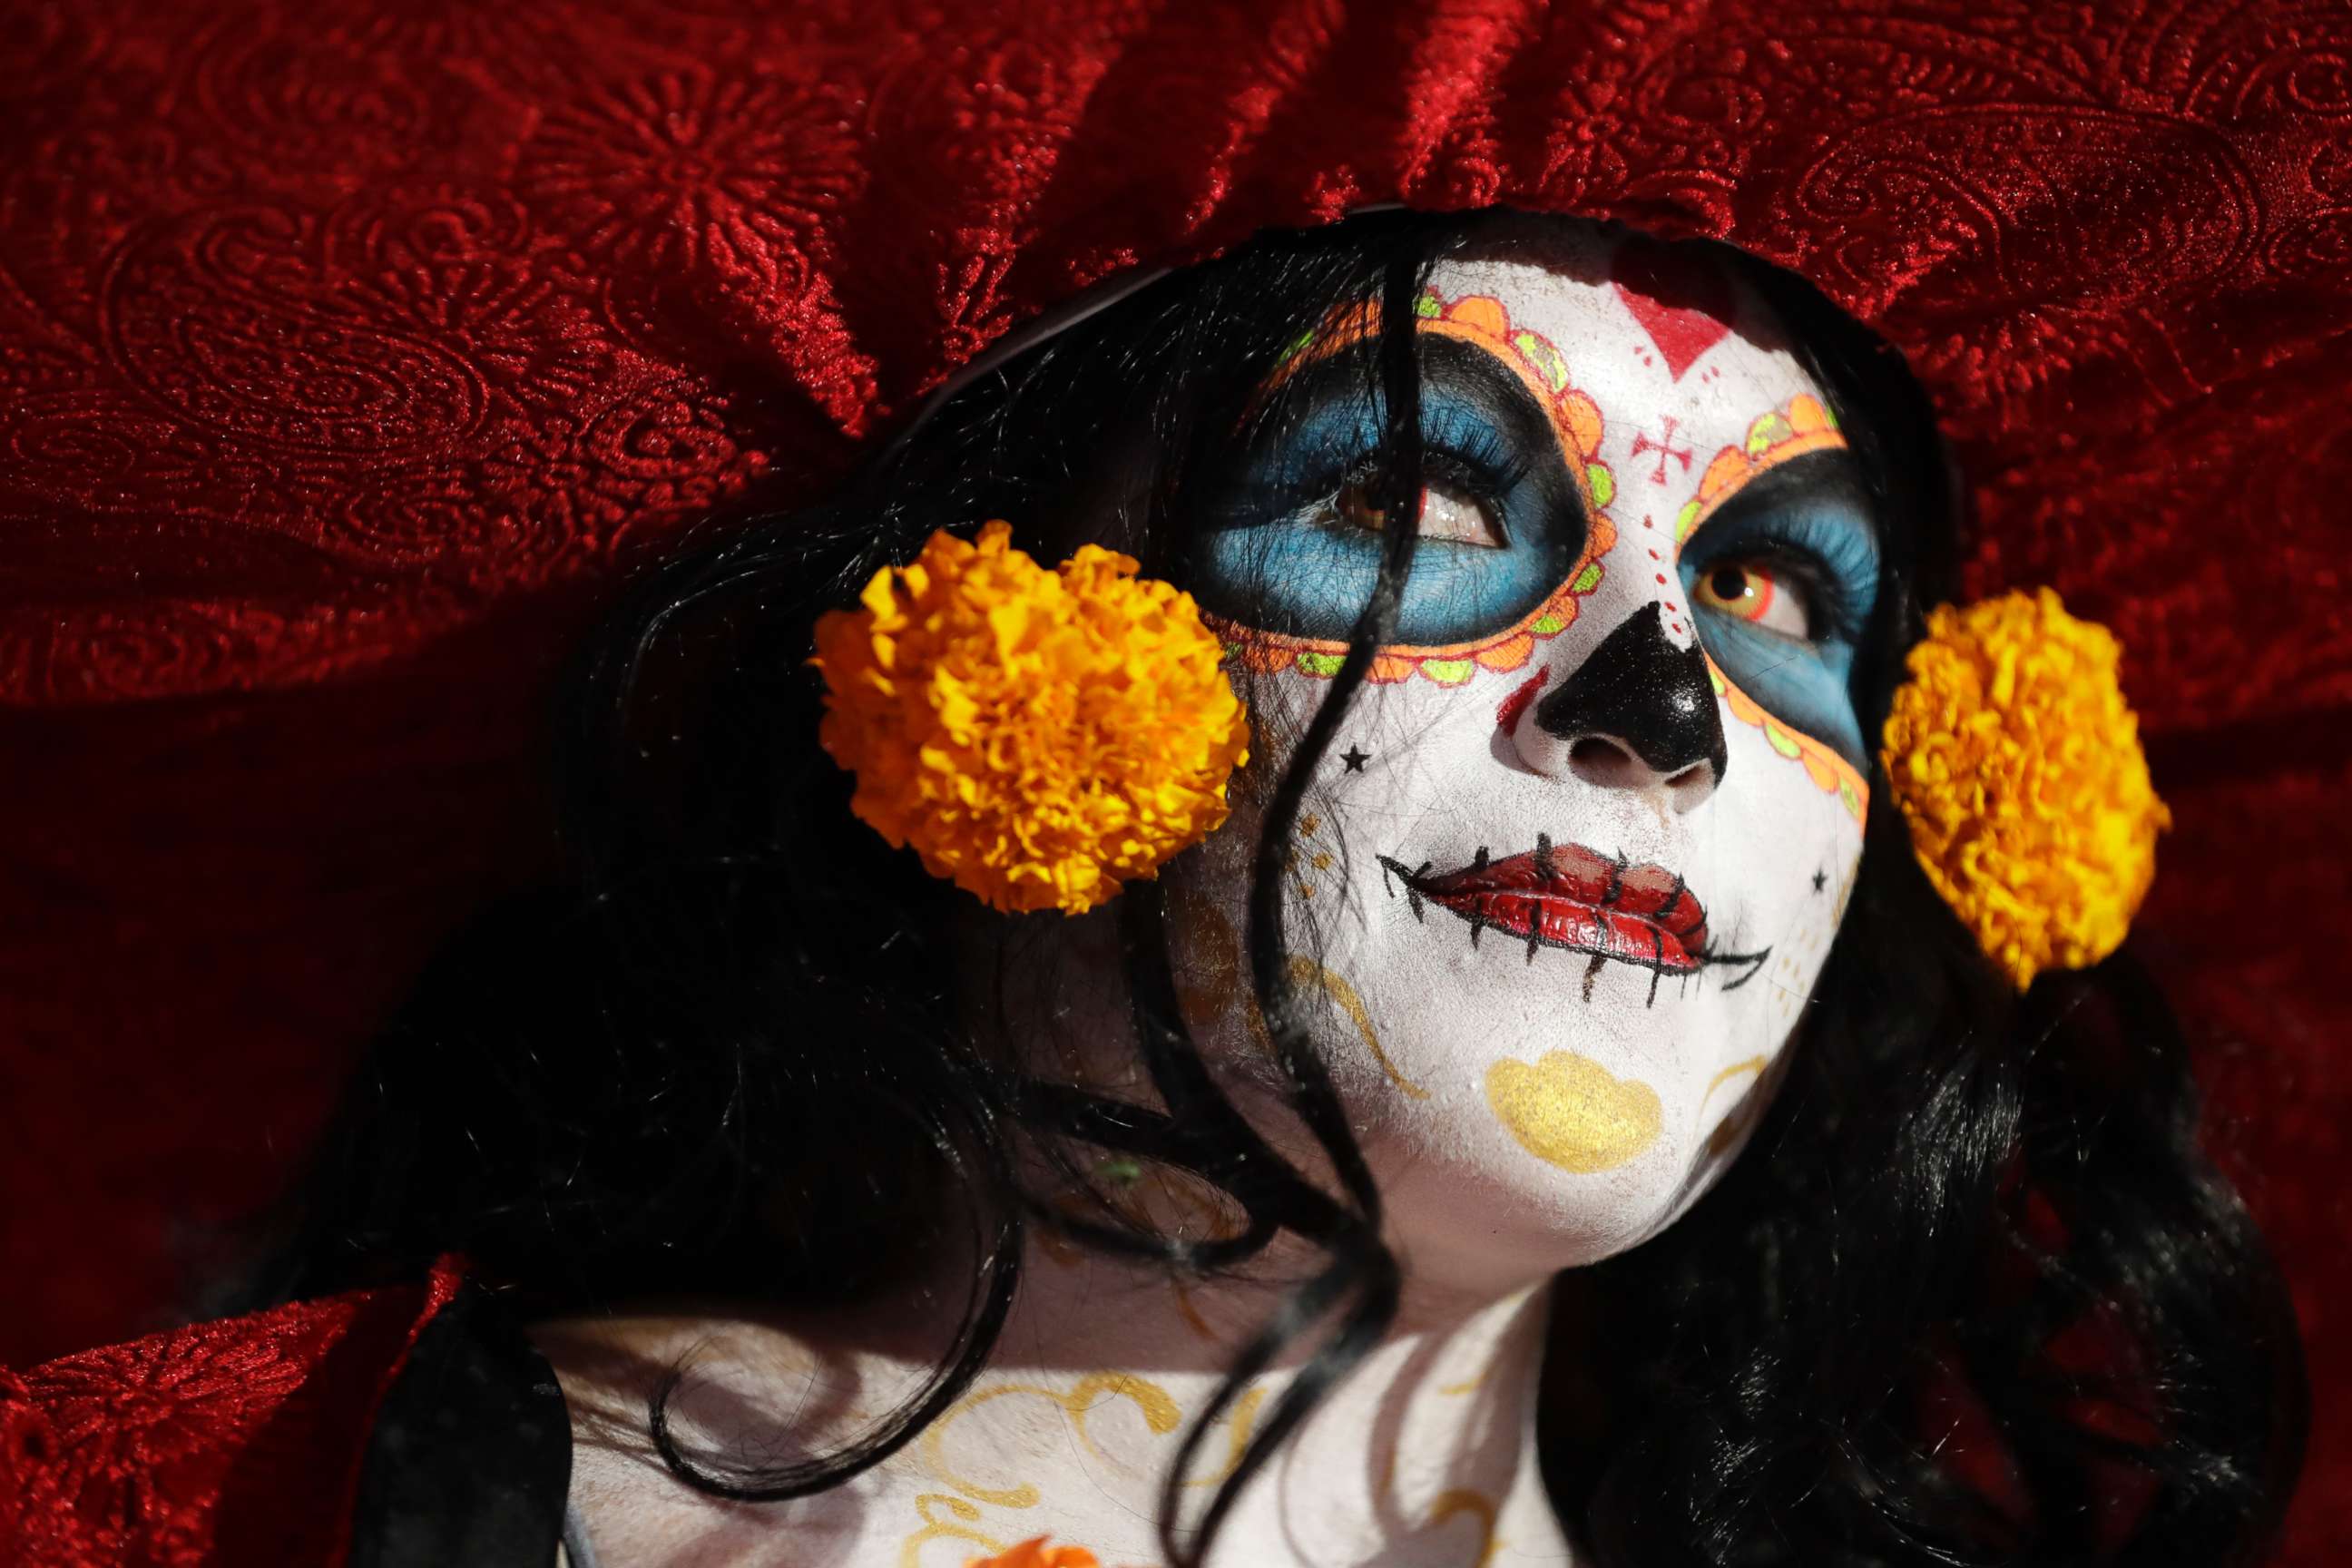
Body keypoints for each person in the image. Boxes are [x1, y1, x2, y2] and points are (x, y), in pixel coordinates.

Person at [177, 209, 2289, 1567]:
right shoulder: (267, 1506)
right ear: (1012, 628)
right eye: (1414, 491)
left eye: (1760, 584)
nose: (1661, 707)